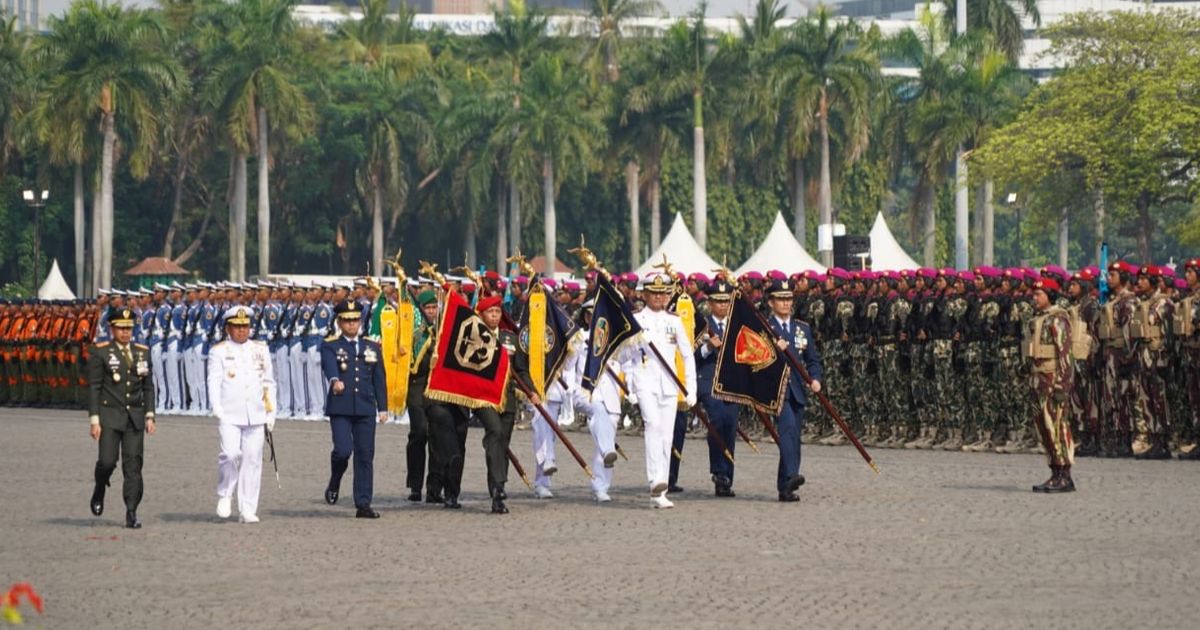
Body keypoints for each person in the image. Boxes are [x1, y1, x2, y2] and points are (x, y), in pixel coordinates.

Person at [623, 272, 697, 509]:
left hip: (669, 383)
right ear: (643, 294)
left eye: (663, 293)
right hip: (645, 381)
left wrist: (690, 388)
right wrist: (630, 385)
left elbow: (687, 354)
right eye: (653, 293)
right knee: (652, 425)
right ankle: (654, 478)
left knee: (667, 436)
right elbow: (623, 356)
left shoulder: (674, 321)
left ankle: (660, 489)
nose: (658, 297)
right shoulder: (635, 319)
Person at [87, 307, 156, 529]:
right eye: (121, 328)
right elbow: (95, 387)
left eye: (129, 328)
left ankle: (131, 511)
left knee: (133, 465)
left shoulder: (142, 352)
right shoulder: (101, 352)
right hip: (109, 415)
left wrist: (150, 414)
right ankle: (100, 487)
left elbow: (148, 386)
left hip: (134, 417)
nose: (125, 333)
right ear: (112, 328)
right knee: (107, 462)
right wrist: (94, 419)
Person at [207, 306, 277, 523]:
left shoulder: (260, 349)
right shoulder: (218, 351)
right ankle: (225, 493)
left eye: (245, 326)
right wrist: (216, 406)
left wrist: (271, 411)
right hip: (230, 412)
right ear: (228, 328)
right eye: (237, 327)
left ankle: (247, 508)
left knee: (252, 460)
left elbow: (268, 382)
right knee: (229, 454)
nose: (241, 330)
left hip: (255, 414)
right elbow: (214, 380)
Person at [321, 300, 388, 519]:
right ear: (339, 322)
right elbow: (329, 365)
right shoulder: (330, 344)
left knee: (365, 455)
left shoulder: (372, 346)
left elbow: (379, 378)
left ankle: (363, 503)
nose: (352, 325)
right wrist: (334, 380)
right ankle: (335, 479)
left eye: (355, 320)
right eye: (347, 320)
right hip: (341, 406)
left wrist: (383, 407)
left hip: (365, 406)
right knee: (342, 451)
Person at [764, 278, 823, 502]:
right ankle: (791, 475)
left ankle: (785, 486)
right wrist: (773, 350)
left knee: (794, 437)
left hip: (798, 388)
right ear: (771, 302)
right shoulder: (766, 328)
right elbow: (755, 361)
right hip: (776, 389)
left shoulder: (802, 328)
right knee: (787, 430)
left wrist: (815, 378)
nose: (786, 303)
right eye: (781, 299)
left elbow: (812, 359)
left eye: (789, 298)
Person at [1025, 279, 1076, 492]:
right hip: (1039, 382)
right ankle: (1054, 471)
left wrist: (1062, 386)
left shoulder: (1058, 319)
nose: (1034, 298)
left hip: (1053, 382)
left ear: (1049, 295)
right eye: (1034, 294)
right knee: (1044, 428)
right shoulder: (1039, 320)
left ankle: (1064, 474)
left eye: (1039, 294)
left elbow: (1065, 355)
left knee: (1057, 427)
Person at [695, 278, 741, 497]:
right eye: (718, 301)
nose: (722, 305)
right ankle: (718, 470)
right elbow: (690, 356)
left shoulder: (737, 324)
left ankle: (726, 477)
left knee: (730, 426)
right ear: (710, 303)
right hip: (709, 380)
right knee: (717, 420)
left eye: (726, 301)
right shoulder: (701, 325)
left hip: (732, 383)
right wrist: (706, 348)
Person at [405, 290, 444, 504]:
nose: (431, 312)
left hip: (437, 389)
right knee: (419, 433)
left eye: (433, 308)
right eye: (427, 308)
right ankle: (415, 485)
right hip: (417, 388)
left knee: (437, 437)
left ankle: (434, 488)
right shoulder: (417, 331)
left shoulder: (442, 329)